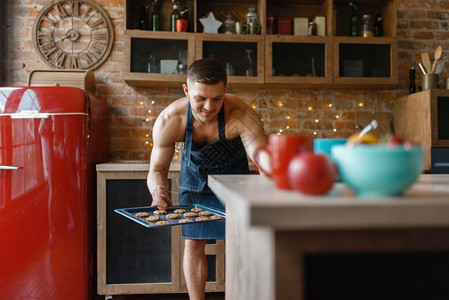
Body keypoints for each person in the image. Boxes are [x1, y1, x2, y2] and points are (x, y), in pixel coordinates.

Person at [147, 58, 268, 299]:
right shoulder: (171, 120)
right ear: (186, 90)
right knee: (193, 243)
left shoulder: (242, 115)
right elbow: (157, 169)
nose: (209, 107)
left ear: (226, 90)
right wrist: (158, 193)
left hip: (235, 186)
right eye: (200, 98)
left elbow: (262, 159)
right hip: (194, 185)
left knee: (240, 246)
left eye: (217, 99)